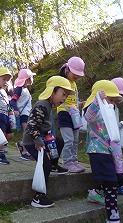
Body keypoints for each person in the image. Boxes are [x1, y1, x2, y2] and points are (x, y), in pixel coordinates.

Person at [83, 80, 123, 223]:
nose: (112, 103)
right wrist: (97, 101)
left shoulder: (110, 110)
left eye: (114, 100)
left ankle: (95, 192)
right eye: (110, 100)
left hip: (111, 151)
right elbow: (88, 118)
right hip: (98, 150)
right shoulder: (95, 109)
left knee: (116, 178)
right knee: (111, 182)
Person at [22, 76, 74, 208]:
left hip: (43, 138)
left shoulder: (49, 105)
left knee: (59, 142)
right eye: (63, 94)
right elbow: (32, 125)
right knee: (45, 164)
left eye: (66, 96)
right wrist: (38, 141)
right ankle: (38, 197)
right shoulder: (42, 105)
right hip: (32, 141)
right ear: (52, 91)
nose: (64, 99)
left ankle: (54, 165)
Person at [57, 56, 86, 173]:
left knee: (75, 139)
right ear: (67, 70)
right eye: (74, 73)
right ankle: (66, 162)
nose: (76, 76)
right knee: (68, 139)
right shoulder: (62, 81)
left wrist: (80, 104)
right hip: (64, 113)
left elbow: (74, 100)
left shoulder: (74, 84)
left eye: (78, 75)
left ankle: (74, 161)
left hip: (74, 114)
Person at [10, 68, 35, 160]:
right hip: (23, 114)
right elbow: (12, 101)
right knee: (26, 133)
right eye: (31, 77)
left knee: (27, 132)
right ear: (26, 79)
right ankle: (25, 152)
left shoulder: (25, 89)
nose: (32, 79)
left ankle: (21, 145)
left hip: (27, 114)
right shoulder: (18, 89)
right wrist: (15, 110)